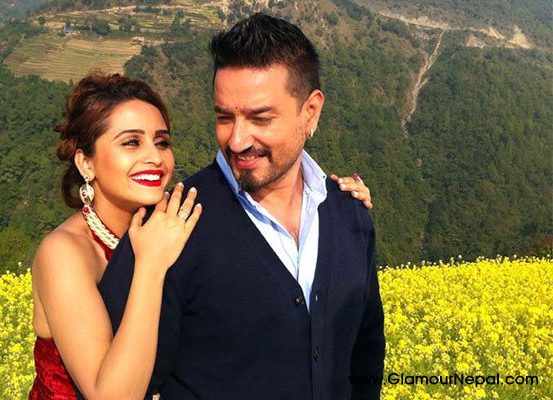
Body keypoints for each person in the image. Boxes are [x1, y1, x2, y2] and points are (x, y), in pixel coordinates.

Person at [30, 74, 373, 399]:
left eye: (162, 142)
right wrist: (149, 267)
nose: (154, 157)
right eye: (131, 143)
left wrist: (335, 205)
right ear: (86, 163)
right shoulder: (65, 252)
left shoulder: (175, 223)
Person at [98, 14, 385, 400]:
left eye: (260, 118)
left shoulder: (350, 216)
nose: (236, 141)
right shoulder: (167, 231)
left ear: (311, 112)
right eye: (224, 117)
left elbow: (366, 350)